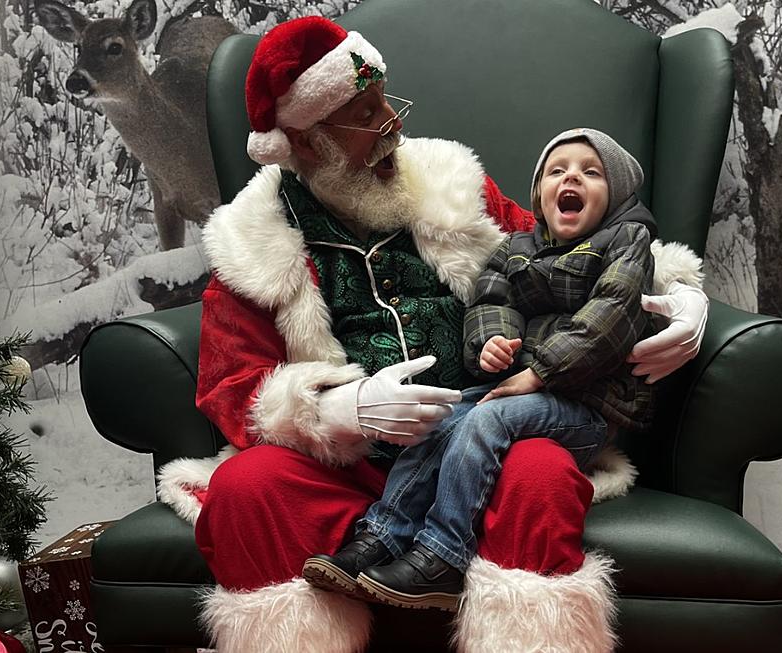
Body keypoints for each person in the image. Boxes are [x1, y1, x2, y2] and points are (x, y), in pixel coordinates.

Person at [154, 16, 709, 653]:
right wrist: (339, 411)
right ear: (308, 143)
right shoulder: (252, 243)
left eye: (387, 99)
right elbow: (231, 386)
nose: (392, 121)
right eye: (366, 113)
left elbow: (566, 257)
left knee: (540, 474)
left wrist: (679, 295)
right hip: (349, 472)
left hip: (484, 445)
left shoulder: (450, 188)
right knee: (245, 489)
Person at [301, 128, 658, 612]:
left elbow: (612, 316)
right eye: (557, 171)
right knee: (443, 417)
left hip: (586, 404)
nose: (571, 177)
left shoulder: (627, 239)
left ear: (614, 195)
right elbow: (492, 298)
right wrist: (491, 343)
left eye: (591, 173)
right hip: (523, 390)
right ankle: (384, 534)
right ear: (540, 195)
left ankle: (443, 555)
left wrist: (541, 373)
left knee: (488, 418)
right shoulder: (519, 246)